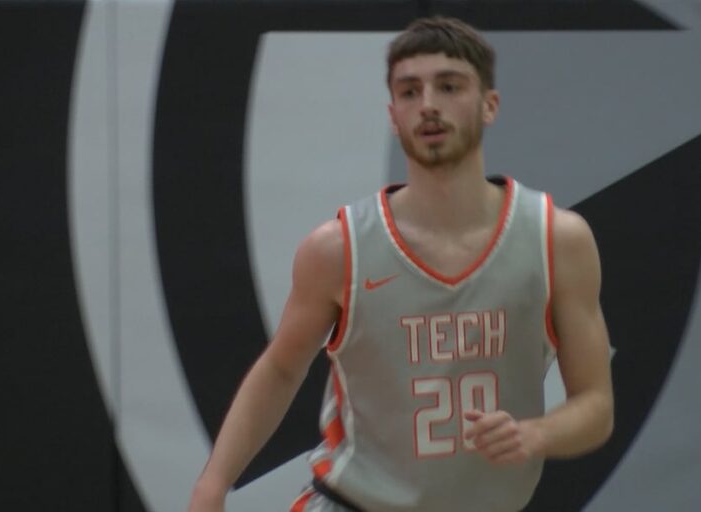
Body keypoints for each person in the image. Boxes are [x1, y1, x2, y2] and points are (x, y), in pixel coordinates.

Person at [189, 16, 613, 512]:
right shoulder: (340, 248)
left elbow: (596, 406)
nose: (428, 104)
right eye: (410, 91)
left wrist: (536, 434)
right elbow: (280, 368)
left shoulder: (556, 239)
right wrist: (213, 483)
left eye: (449, 86)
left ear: (489, 105)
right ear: (393, 115)